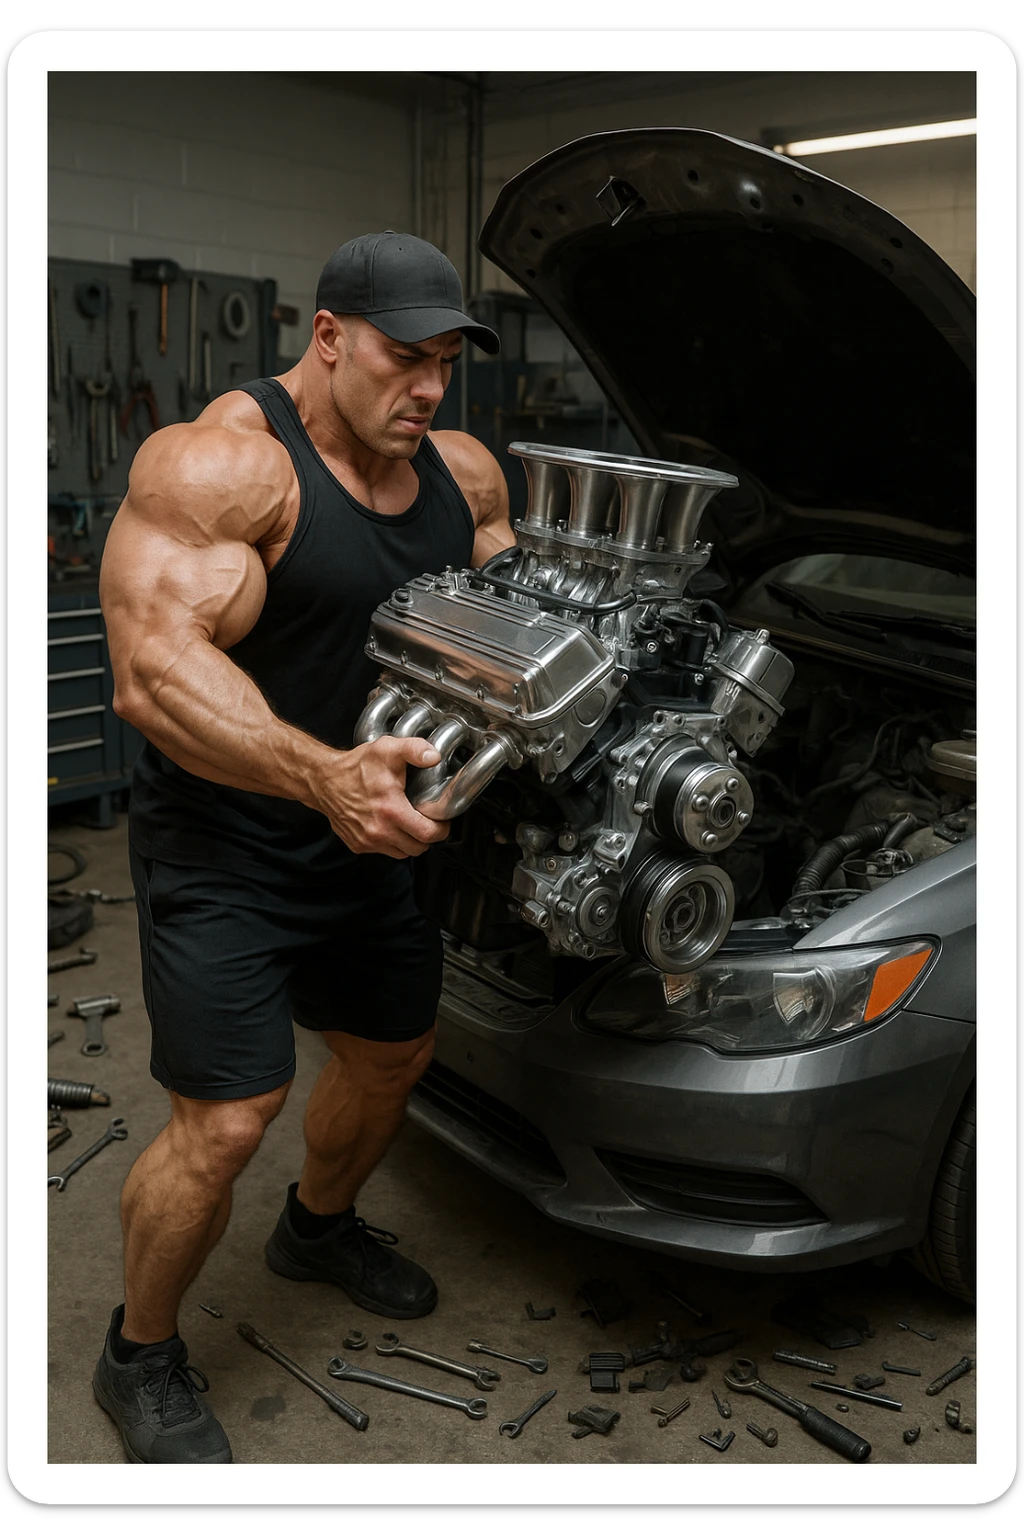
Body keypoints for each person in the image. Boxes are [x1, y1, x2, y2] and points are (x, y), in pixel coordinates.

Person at [93, 231, 512, 1464]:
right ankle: (137, 1354)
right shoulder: (225, 470)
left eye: (446, 363)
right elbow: (151, 673)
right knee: (228, 1119)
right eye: (403, 357)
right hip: (227, 843)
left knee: (391, 1060)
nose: (427, 388)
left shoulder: (462, 476)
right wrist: (322, 776)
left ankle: (316, 1229)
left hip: (374, 834)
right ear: (328, 337)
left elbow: (512, 627)